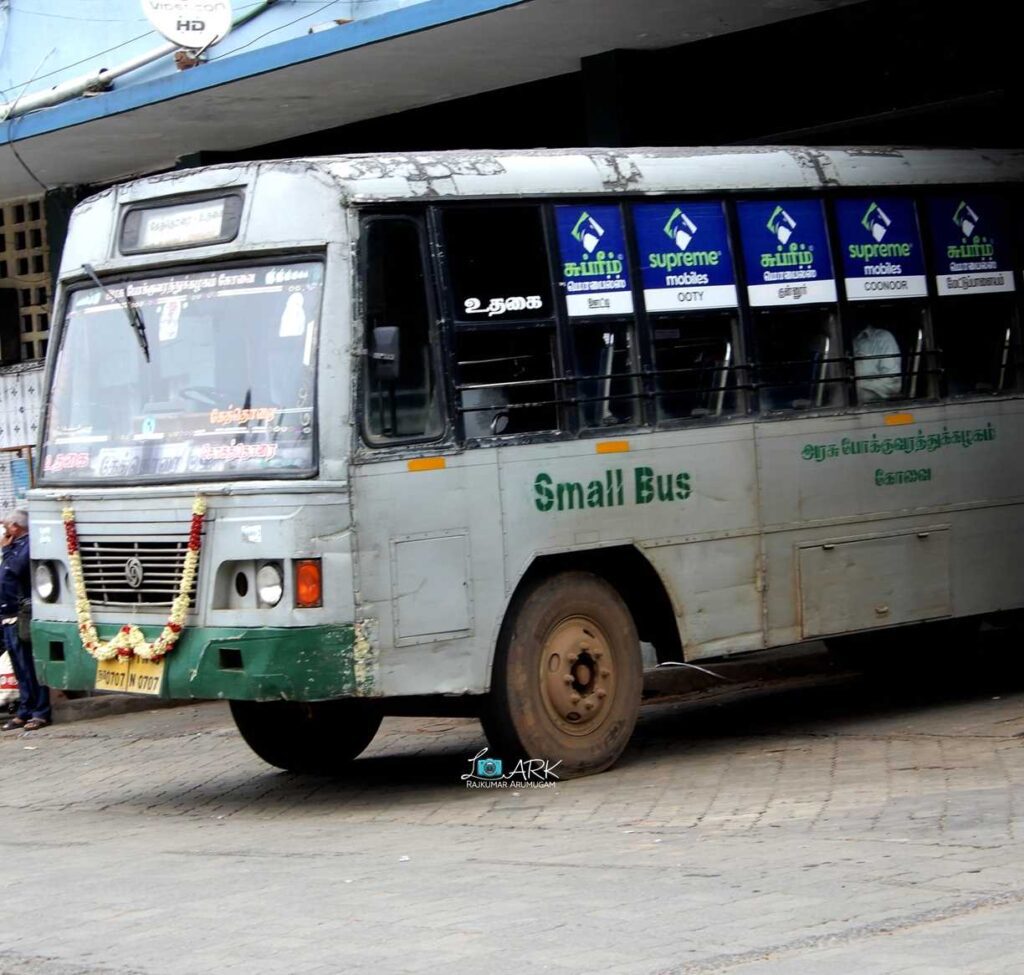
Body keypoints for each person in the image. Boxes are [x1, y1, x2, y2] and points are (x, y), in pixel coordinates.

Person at [1, 507, 50, 731]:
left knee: (29, 665)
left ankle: (40, 711)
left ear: (15, 527)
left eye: (6, 527)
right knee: (19, 669)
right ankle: (25, 709)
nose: (4, 531)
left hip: (22, 614)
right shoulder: (12, 547)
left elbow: (18, 569)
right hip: (7, 615)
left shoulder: (26, 545)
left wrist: (7, 549)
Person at [853, 324, 902, 402]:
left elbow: (892, 383)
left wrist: (857, 389)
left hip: (878, 407)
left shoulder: (883, 338)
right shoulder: (836, 339)